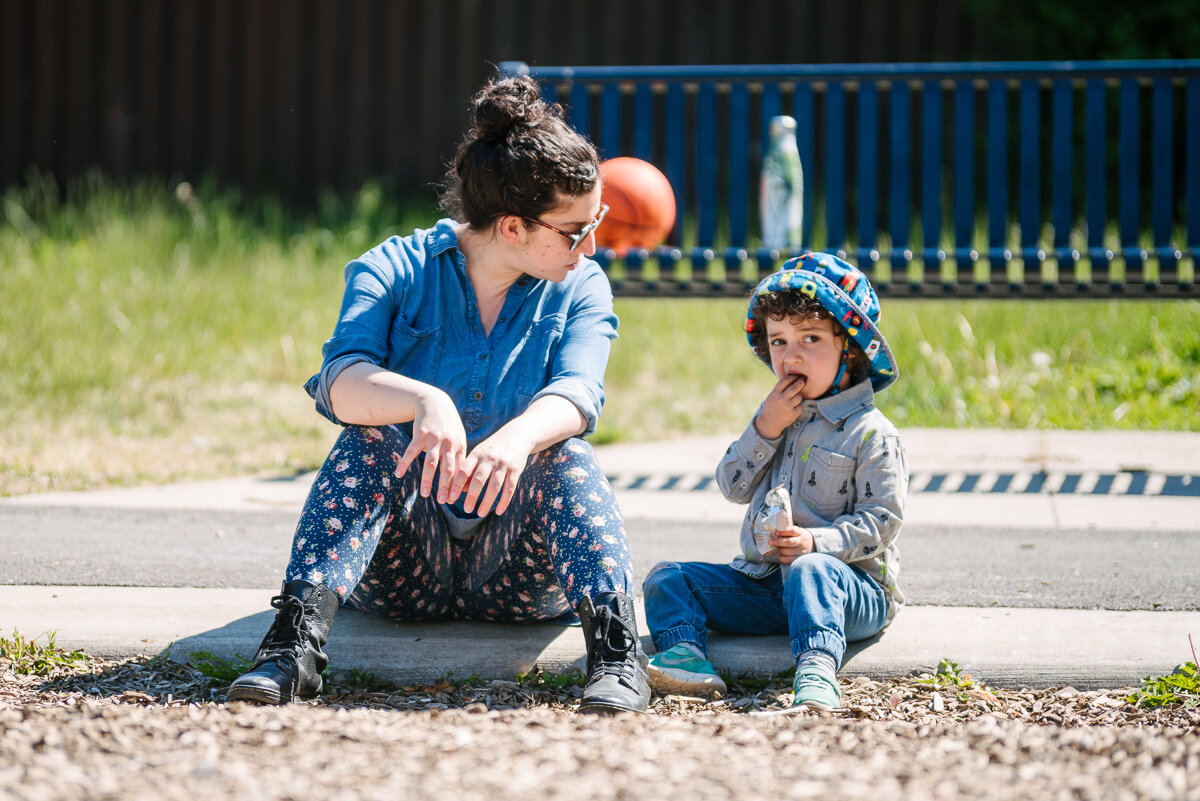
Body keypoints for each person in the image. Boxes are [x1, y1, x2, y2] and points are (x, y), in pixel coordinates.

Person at [225, 74, 650, 714]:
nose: (590, 246)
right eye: (572, 230)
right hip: (403, 572)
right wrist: (425, 400)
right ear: (511, 226)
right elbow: (341, 382)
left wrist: (519, 435)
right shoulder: (394, 267)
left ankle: (617, 660)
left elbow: (579, 391)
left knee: (568, 457)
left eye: (597, 223)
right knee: (367, 439)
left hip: (521, 577)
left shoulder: (580, 283)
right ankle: (292, 649)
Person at [641, 252, 906, 710]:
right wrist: (764, 429)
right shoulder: (774, 416)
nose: (792, 354)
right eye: (779, 341)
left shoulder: (870, 432)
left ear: (850, 350)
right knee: (666, 578)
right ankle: (686, 655)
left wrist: (815, 543)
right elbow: (732, 486)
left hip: (849, 588)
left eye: (810, 338)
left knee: (809, 569)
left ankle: (817, 668)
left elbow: (882, 522)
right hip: (767, 585)